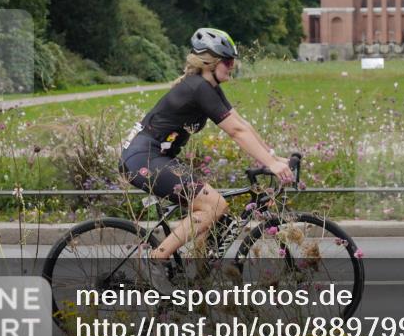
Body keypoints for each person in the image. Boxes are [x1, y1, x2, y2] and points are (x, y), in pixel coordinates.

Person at [119, 28, 294, 265]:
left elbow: (242, 123)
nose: (233, 65)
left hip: (155, 157)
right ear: (211, 62)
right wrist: (270, 164)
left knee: (215, 214)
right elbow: (235, 132)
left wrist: (273, 156)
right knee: (214, 205)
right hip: (144, 159)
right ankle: (155, 262)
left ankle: (196, 278)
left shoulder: (208, 86)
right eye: (228, 61)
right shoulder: (198, 88)